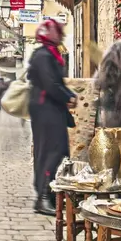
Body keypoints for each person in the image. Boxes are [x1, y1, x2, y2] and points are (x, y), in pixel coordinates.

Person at [28, 18, 76, 215]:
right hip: (45, 108)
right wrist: (68, 97)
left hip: (50, 108)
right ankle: (44, 197)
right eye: (58, 31)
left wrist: (69, 95)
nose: (62, 35)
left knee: (58, 149)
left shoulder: (49, 53)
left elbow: (55, 82)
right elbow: (50, 84)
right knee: (51, 150)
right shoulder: (44, 55)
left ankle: (49, 193)